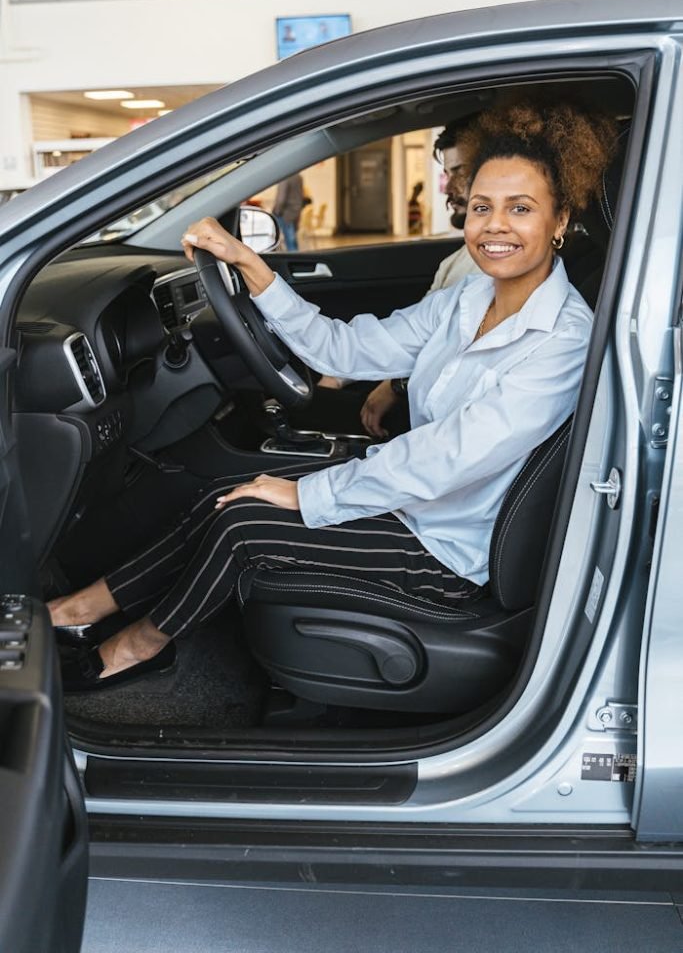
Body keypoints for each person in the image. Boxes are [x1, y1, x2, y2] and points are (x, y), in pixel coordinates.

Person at [52, 102, 616, 693]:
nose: (495, 225)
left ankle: (137, 646)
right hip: (416, 505)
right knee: (224, 493)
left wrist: (308, 491)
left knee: (242, 524)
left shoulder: (563, 341)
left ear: (561, 219)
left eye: (520, 209)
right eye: (481, 207)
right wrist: (254, 269)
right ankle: (76, 610)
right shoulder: (467, 299)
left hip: (450, 547)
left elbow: (450, 456)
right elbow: (345, 351)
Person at [307, 118, 480, 438]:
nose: (448, 185)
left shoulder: (490, 263)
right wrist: (341, 372)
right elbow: (418, 331)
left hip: (434, 411)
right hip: (417, 387)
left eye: (460, 170)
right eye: (447, 173)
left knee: (301, 411)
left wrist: (395, 387)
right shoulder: (459, 257)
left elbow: (461, 351)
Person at [272, 172, 304, 250]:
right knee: (292, 240)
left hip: (285, 214)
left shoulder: (285, 177)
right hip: (296, 211)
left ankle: (293, 260)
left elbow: (281, 199)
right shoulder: (298, 176)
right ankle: (295, 259)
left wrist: (276, 212)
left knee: (287, 241)